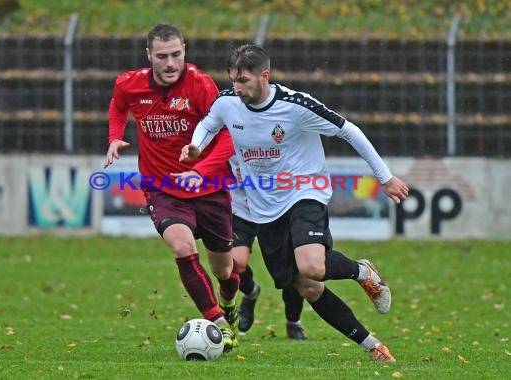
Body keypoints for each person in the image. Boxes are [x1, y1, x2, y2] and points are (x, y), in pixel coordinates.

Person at [179, 44, 410, 362]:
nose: (236, 87)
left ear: (264, 76)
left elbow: (349, 131)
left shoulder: (295, 105)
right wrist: (194, 145)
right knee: (307, 286)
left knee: (312, 265)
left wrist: (384, 178)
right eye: (233, 79)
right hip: (264, 207)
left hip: (305, 191)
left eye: (243, 80)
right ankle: (373, 346)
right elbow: (208, 123)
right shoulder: (227, 102)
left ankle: (362, 272)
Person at [103, 23, 240, 350]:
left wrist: (200, 169)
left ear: (185, 51)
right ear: (148, 54)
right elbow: (118, 105)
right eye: (162, 56)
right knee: (182, 247)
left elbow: (228, 138)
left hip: (210, 186)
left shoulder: (201, 85)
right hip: (162, 187)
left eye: (176, 55)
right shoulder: (129, 84)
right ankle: (218, 322)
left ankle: (230, 300)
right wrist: (114, 136)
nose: (169, 63)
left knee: (225, 269)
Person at [230, 156, 307, 340]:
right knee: (235, 263)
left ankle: (293, 322)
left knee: (291, 268)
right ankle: (250, 292)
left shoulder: (275, 131)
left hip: (277, 208)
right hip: (240, 208)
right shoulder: (226, 130)